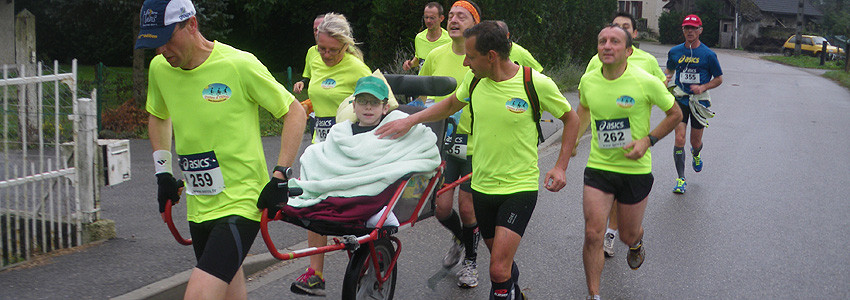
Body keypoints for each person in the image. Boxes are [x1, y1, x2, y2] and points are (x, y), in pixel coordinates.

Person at [378, 21, 580, 300]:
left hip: (518, 189)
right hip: (482, 188)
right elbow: (449, 104)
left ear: (492, 56)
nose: (465, 61)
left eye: (471, 56)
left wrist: (560, 166)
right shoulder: (474, 81)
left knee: (497, 269)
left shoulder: (534, 83)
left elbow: (572, 119)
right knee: (504, 264)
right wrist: (409, 121)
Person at [135, 1, 307, 299]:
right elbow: (159, 115)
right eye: (154, 44)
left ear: (191, 25)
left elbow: (294, 111)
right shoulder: (160, 69)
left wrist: (281, 174)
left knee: (200, 295)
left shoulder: (238, 64)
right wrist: (162, 171)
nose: (162, 50)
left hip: (241, 202)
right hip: (199, 204)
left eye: (166, 39)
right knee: (228, 292)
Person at [575, 25, 682, 300]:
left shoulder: (645, 81)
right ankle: (594, 295)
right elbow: (584, 108)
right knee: (592, 234)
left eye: (614, 42)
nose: (607, 46)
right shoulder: (588, 81)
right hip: (599, 167)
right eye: (602, 41)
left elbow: (675, 114)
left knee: (626, 234)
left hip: (635, 170)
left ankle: (635, 243)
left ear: (628, 50)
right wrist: (573, 141)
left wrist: (647, 141)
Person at [290, 12, 372, 296]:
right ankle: (316, 274)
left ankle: (365, 259)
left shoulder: (357, 69)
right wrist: (307, 106)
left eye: (332, 50)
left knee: (348, 210)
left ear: (345, 46)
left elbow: (382, 103)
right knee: (314, 203)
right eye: (322, 48)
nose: (325, 54)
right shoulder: (313, 57)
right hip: (319, 145)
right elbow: (320, 93)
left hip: (350, 149)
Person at [582, 12, 666, 259]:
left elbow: (663, 96)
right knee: (602, 209)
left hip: (634, 153)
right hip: (602, 156)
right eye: (614, 26)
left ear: (633, 36)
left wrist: (648, 138)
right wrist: (574, 138)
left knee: (627, 224)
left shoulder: (647, 62)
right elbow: (585, 102)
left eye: (624, 28)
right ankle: (608, 232)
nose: (616, 32)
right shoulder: (596, 62)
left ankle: (624, 233)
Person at [417, 0, 483, 288]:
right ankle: (461, 236)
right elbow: (420, 94)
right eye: (452, 15)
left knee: (468, 208)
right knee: (442, 209)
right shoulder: (435, 55)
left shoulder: (480, 56)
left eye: (462, 16)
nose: (454, 20)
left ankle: (470, 261)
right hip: (444, 143)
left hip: (475, 144)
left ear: (475, 24)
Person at [665, 14, 723, 194]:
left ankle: (696, 154)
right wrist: (666, 79)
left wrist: (703, 86)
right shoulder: (675, 52)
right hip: (680, 99)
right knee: (679, 138)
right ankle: (681, 179)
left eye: (693, 28)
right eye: (686, 28)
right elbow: (669, 69)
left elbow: (719, 78)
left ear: (700, 30)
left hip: (700, 101)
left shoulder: (708, 55)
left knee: (694, 141)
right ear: (683, 30)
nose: (689, 31)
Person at [403, 2, 452, 71]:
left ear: (441, 18)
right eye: (426, 17)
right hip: (422, 81)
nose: (428, 21)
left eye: (432, 18)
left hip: (440, 81)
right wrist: (410, 64)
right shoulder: (419, 38)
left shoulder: (449, 39)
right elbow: (419, 58)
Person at [292, 14, 325, 94]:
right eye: (315, 30)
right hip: (316, 101)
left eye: (320, 29)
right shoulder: (311, 51)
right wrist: (302, 83)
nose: (317, 33)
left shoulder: (345, 52)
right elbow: (309, 78)